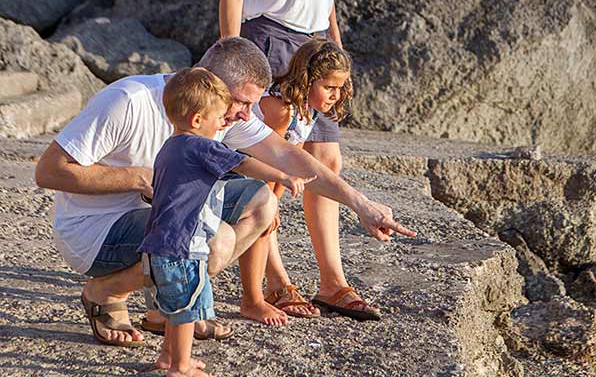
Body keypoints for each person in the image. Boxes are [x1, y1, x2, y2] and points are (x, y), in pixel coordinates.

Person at [35, 37, 415, 347]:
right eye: (244, 102)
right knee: (215, 241)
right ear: (207, 82)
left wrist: (360, 204)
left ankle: (165, 308)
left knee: (261, 201)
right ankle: (106, 291)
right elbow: (49, 171)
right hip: (96, 231)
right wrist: (138, 178)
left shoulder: (223, 113)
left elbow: (286, 156)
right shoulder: (130, 101)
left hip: (154, 222)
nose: (248, 114)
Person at [219, 0, 375, 320]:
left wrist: (338, 55)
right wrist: (233, 62)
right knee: (272, 165)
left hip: (314, 49)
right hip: (268, 43)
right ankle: (275, 277)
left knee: (326, 159)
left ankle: (332, 281)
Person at [140, 67, 313, 377]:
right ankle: (179, 366)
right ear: (196, 120)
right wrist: (284, 176)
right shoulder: (199, 146)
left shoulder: (170, 146)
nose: (224, 123)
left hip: (157, 245)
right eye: (219, 117)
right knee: (185, 309)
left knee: (177, 304)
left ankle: (169, 354)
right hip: (180, 247)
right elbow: (242, 162)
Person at [239, 38, 370, 321]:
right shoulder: (281, 108)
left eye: (340, 88)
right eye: (329, 87)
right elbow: (270, 157)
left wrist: (276, 202)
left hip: (267, 172)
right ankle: (264, 292)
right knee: (264, 221)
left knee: (270, 218)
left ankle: (272, 288)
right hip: (241, 170)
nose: (335, 95)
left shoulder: (305, 109)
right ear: (308, 80)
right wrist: (270, 204)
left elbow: (291, 162)